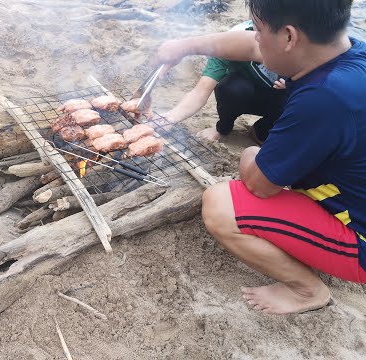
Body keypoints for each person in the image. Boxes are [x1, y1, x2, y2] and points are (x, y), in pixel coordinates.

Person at [156, 0, 366, 314]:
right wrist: (184, 46)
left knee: (220, 203)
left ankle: (308, 291)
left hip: (358, 237)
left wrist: (252, 154)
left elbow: (259, 185)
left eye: (257, 29)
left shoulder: (325, 99)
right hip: (349, 187)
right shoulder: (346, 54)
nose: (253, 37)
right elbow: (248, 48)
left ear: (289, 38)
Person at [161, 20, 288, 144]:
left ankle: (262, 129)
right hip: (244, 93)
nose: (257, 36)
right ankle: (223, 128)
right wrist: (172, 117)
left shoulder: (296, 42)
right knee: (232, 88)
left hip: (280, 99)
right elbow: (200, 91)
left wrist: (295, 86)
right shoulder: (230, 41)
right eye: (257, 26)